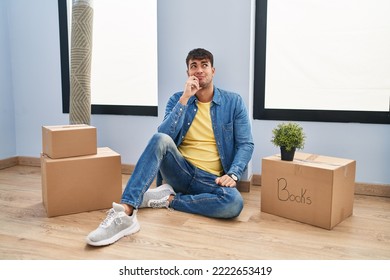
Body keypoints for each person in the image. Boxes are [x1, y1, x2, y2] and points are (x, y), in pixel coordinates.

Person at [86, 48, 254, 246]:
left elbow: (246, 144)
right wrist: (184, 99)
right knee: (159, 138)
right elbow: (165, 136)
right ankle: (126, 212)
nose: (199, 70)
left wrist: (233, 174)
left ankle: (168, 200)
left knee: (234, 203)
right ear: (188, 73)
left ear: (213, 71)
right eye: (194, 66)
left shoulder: (233, 102)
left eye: (204, 65)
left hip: (211, 179)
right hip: (180, 170)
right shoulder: (177, 99)